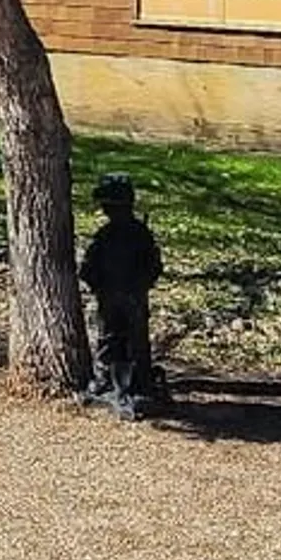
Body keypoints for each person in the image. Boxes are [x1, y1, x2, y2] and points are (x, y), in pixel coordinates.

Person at [80, 173, 173, 417]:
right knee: (110, 339)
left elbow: (152, 266)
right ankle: (109, 380)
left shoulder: (134, 235)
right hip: (113, 297)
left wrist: (136, 287)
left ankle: (135, 383)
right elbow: (88, 269)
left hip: (128, 297)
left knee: (133, 341)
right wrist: (101, 286)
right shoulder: (111, 235)